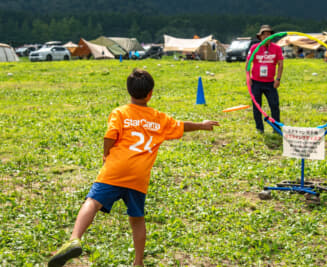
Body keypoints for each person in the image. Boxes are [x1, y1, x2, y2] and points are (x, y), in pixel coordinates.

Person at [48, 69, 219, 267]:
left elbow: (109, 136)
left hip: (115, 170)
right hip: (139, 176)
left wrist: (106, 154)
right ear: (150, 94)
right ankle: (138, 262)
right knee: (137, 219)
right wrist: (202, 124)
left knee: (93, 202)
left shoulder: (120, 113)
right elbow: (181, 125)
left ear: (129, 91)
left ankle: (75, 238)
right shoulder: (158, 118)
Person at [245, 25, 284, 134]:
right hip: (256, 82)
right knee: (257, 106)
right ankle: (259, 128)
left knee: (274, 105)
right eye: (264, 34)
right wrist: (248, 78)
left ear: (272, 36)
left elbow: (281, 64)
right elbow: (248, 63)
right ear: (260, 36)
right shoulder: (254, 47)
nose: (267, 36)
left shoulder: (277, 48)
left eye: (269, 34)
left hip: (270, 83)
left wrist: (278, 79)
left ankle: (276, 129)